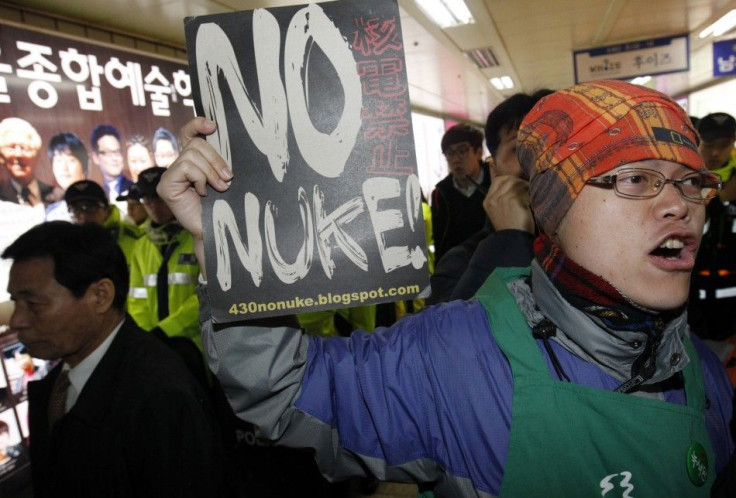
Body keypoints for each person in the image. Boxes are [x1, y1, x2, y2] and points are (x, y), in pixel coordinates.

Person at [159, 80, 735, 496]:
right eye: (636, 179)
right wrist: (231, 243)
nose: (677, 204)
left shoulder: (701, 372)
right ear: (553, 206)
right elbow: (283, 391)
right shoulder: (453, 356)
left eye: (691, 183)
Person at [2, 221, 224, 497]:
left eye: (33, 304)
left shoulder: (160, 397)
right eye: (15, 302)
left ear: (100, 296)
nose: (17, 321)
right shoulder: (62, 381)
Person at [428, 90, 552, 303]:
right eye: (519, 148)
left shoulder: (595, 244)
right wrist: (510, 240)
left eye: (555, 143)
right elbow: (451, 329)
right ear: (495, 169)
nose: (541, 159)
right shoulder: (458, 265)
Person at [126, 167, 201, 349]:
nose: (153, 204)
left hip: (197, 344)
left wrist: (166, 330)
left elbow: (207, 296)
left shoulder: (198, 236)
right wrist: (148, 336)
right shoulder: (141, 245)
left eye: (158, 197)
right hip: (155, 345)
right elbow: (136, 300)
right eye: (146, 198)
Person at [689, 112, 736, 341]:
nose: (716, 153)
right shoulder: (685, 180)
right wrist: (722, 199)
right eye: (709, 145)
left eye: (724, 145)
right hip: (691, 302)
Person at [430, 123, 490, 262]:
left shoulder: (496, 182)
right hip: (458, 268)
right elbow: (440, 240)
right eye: (450, 153)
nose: (456, 160)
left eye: (463, 151)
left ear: (479, 152)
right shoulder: (440, 194)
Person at [64, 179, 142, 263]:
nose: (83, 215)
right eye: (75, 209)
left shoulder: (134, 239)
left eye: (90, 207)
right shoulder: (67, 247)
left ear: (106, 210)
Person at [0, 117, 59, 208]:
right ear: (1, 156)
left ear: (37, 155)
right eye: (11, 148)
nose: (19, 155)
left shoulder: (57, 196)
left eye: (24, 148)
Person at [45, 132, 90, 221]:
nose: (64, 168)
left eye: (70, 160)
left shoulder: (96, 202)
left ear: (83, 165)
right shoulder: (51, 213)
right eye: (58, 161)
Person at [89, 124, 133, 208]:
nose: (114, 158)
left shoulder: (134, 188)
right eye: (108, 153)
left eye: (117, 152)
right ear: (95, 157)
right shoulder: (96, 195)